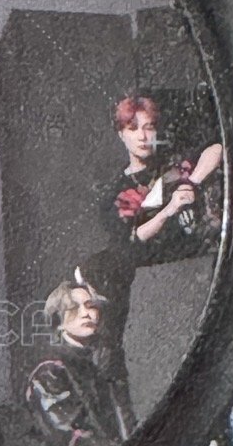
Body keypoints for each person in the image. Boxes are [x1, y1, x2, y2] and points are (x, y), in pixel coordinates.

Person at [79, 93, 224, 373]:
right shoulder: (116, 194)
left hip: (205, 260)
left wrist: (192, 182)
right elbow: (133, 239)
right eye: (133, 128)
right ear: (121, 135)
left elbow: (216, 149)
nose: (143, 136)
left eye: (149, 127)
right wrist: (169, 209)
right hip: (162, 285)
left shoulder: (172, 166)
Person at [25, 278, 134, 446]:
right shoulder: (50, 370)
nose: (86, 313)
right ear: (58, 321)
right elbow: (68, 436)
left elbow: (122, 419)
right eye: (74, 308)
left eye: (91, 306)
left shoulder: (100, 362)